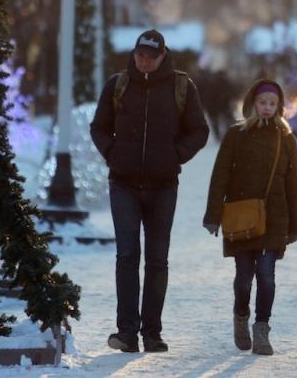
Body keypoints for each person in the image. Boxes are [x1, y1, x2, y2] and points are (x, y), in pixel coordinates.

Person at [90, 29, 209, 353]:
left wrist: (175, 155)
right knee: (127, 256)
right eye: (139, 54)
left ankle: (152, 333)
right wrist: (113, 153)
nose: (143, 61)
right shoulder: (118, 84)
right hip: (124, 184)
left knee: (157, 261)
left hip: (163, 186)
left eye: (150, 56)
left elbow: (199, 130)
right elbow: (99, 126)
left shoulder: (181, 86)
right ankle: (126, 332)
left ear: (162, 56)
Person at [203, 79, 297, 356]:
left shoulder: (286, 139)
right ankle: (240, 317)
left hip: (275, 217)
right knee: (244, 277)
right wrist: (213, 215)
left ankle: (262, 329)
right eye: (263, 102)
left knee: (267, 276)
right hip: (242, 216)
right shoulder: (237, 135)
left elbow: (294, 184)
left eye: (273, 103)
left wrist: (296, 224)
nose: (267, 108)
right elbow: (220, 175)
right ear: (252, 105)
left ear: (280, 107)